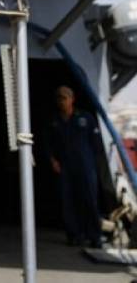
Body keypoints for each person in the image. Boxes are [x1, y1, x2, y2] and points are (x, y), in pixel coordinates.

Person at [47, 85, 104, 247]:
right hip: (65, 166)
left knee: (90, 200)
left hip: (85, 166)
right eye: (59, 98)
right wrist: (53, 160)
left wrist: (93, 163)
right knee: (68, 201)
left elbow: (96, 143)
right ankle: (74, 234)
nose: (62, 101)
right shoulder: (54, 121)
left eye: (64, 98)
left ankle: (94, 235)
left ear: (72, 99)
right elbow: (48, 144)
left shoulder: (85, 118)